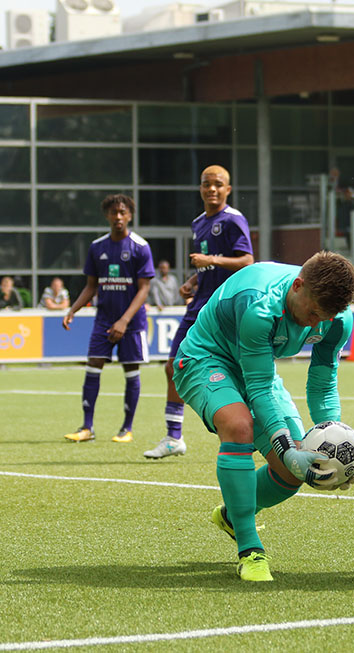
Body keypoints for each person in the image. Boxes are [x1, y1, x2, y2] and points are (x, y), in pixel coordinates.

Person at [177, 252, 354, 582]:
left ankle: (233, 517)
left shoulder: (337, 319)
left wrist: (336, 440)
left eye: (326, 317)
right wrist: (287, 449)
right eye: (313, 312)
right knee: (239, 425)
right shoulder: (259, 307)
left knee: (292, 473)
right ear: (298, 286)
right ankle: (250, 550)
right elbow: (259, 387)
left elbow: (323, 380)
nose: (317, 323)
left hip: (256, 367)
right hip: (207, 358)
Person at [143, 165, 254, 460]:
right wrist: (194, 280)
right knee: (172, 366)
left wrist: (210, 260)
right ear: (200, 188)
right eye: (207, 184)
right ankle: (173, 437)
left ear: (228, 189)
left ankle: (249, 429)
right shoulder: (198, 223)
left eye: (218, 184)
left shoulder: (233, 219)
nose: (212, 189)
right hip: (199, 303)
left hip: (224, 306)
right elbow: (210, 267)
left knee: (238, 370)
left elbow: (247, 261)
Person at [62, 194, 155, 444]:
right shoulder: (97, 247)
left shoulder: (140, 247)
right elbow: (91, 285)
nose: (118, 217)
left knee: (131, 371)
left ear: (130, 215)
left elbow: (144, 289)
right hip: (103, 320)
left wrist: (124, 321)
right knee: (93, 366)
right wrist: (73, 309)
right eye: (113, 213)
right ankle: (87, 427)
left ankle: (126, 428)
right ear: (107, 216)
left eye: (122, 212)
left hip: (132, 324)